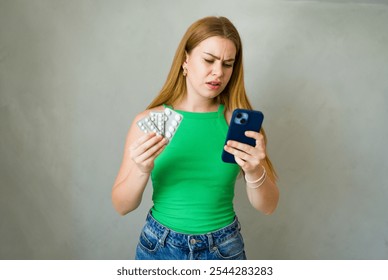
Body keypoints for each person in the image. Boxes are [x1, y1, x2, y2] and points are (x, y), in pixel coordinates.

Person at [112, 16, 279, 260]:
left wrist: (254, 172)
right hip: (159, 248)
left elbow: (269, 206)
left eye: (228, 64)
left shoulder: (239, 125)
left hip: (223, 249)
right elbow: (121, 206)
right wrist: (140, 169)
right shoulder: (148, 122)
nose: (218, 73)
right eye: (209, 60)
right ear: (185, 60)